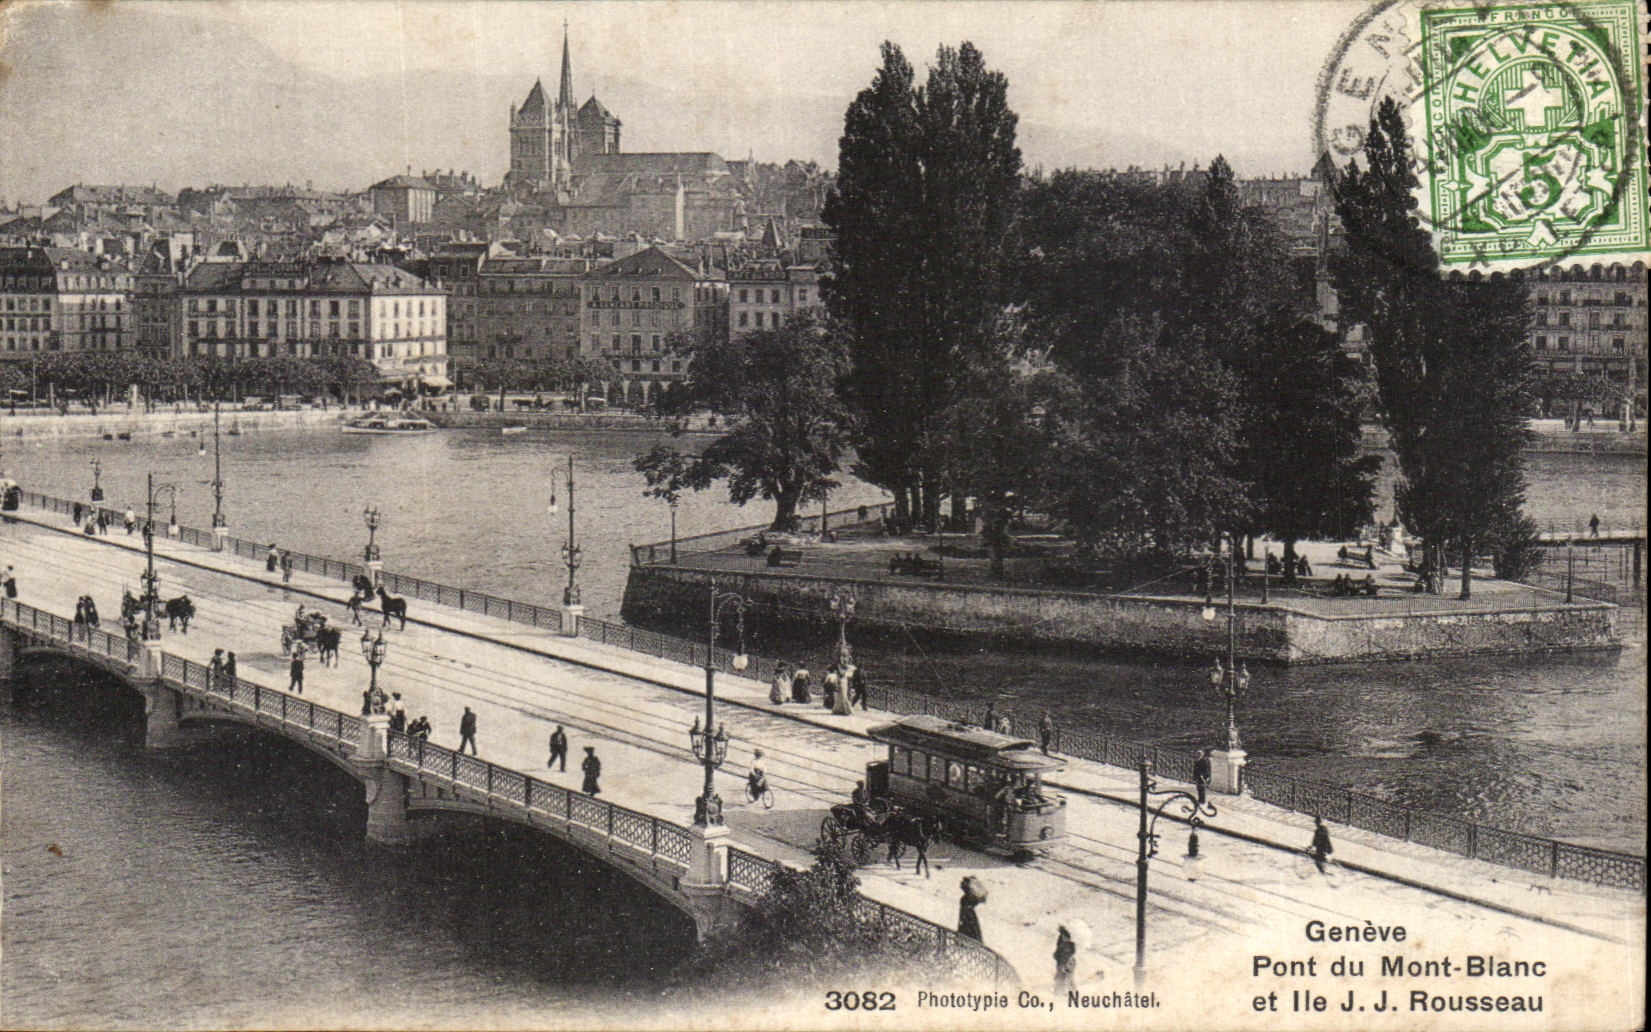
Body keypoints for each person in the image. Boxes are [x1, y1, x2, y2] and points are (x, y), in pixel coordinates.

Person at [957, 877, 985, 943]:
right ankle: (976, 941)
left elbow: (963, 909)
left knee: (967, 928)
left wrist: (961, 919)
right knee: (973, 928)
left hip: (967, 914)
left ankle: (964, 942)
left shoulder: (965, 898)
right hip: (971, 913)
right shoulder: (969, 896)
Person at [1053, 925, 1078, 995]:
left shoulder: (1068, 945)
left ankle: (1072, 992)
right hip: (1062, 961)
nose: (1064, 938)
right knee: (1062, 977)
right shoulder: (1063, 943)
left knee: (1067, 977)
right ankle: (1060, 991)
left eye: (1065, 937)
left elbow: (1069, 953)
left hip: (1067, 961)